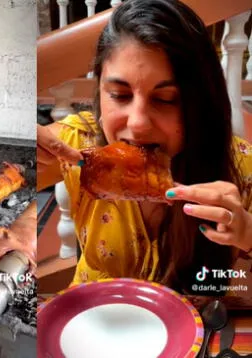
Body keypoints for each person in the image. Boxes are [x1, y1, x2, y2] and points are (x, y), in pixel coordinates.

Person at [37, 0, 252, 295]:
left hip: (194, 332)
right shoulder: (76, 143)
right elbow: (3, 180)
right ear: (100, 93)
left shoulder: (240, 167)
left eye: (165, 99)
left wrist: (247, 234)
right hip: (93, 322)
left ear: (199, 104)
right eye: (119, 94)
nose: (138, 124)